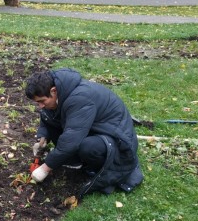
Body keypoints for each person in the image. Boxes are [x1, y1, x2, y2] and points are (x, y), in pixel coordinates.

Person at [25, 68, 143, 198]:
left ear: (53, 91)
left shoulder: (79, 99)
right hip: (95, 128)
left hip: (118, 140)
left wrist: (45, 168)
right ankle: (74, 161)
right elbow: (48, 117)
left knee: (87, 147)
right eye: (37, 102)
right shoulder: (61, 92)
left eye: (42, 101)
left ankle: (94, 168)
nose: (40, 106)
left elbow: (71, 140)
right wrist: (43, 136)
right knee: (55, 122)